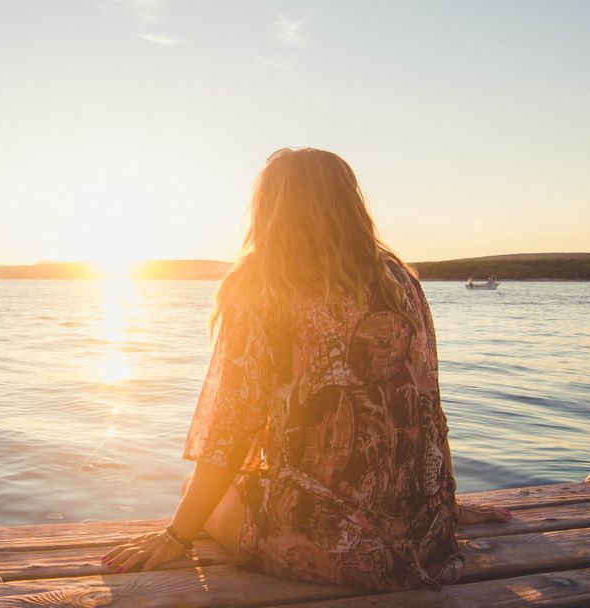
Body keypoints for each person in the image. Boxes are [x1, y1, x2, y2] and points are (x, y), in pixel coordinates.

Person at [103, 148, 510, 591]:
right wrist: (443, 502)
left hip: (333, 545)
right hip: (425, 536)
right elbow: (429, 408)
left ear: (269, 210)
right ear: (351, 204)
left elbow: (231, 429)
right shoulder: (401, 282)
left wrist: (177, 535)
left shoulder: (262, 285)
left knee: (191, 487)